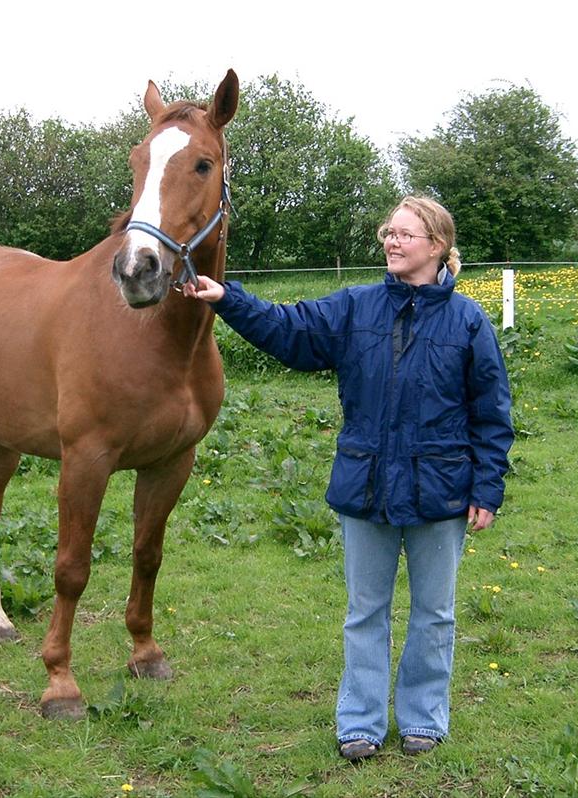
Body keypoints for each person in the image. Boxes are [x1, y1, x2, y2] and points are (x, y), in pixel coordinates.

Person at [183, 196, 514, 761]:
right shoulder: (356, 308)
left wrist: (487, 488)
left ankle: (423, 718)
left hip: (441, 489)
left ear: (435, 246)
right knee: (366, 611)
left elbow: (491, 410)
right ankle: (359, 721)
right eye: (389, 232)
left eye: (405, 234)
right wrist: (227, 299)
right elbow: (289, 329)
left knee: (435, 613)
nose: (391, 241)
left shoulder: (468, 321)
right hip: (366, 485)